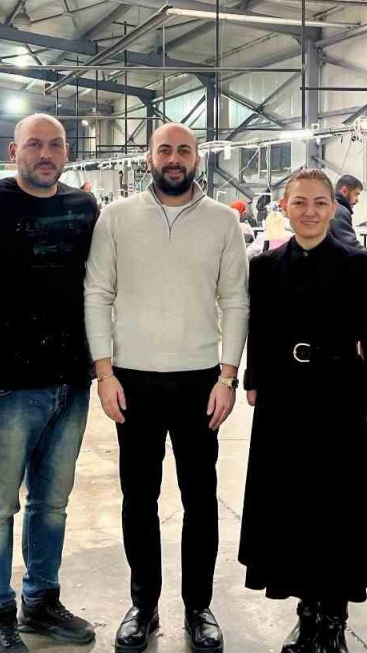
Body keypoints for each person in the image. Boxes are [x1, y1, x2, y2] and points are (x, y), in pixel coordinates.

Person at [84, 122, 249, 653]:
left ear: (197, 158)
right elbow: (97, 293)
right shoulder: (116, 218)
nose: (174, 159)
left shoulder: (223, 221)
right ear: (148, 158)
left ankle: (199, 607)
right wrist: (105, 374)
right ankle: (144, 605)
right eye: (164, 150)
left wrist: (228, 377)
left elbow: (236, 300)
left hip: (201, 380)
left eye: (183, 150)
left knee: (201, 499)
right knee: (139, 499)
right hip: (132, 379)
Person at [0, 114, 99, 653]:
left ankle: (41, 601)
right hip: (4, 385)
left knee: (51, 504)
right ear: (14, 150)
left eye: (55, 144)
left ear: (67, 152)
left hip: (71, 382)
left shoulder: (84, 207)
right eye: (34, 144)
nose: (45, 153)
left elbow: (101, 288)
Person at [240, 168, 367, 653]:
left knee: (339, 507)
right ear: (284, 208)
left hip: (342, 397)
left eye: (320, 203)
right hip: (284, 398)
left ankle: (333, 618)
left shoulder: (360, 265)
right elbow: (260, 330)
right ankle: (306, 613)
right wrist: (253, 381)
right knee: (293, 507)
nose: (310, 212)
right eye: (300, 202)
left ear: (333, 208)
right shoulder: (265, 267)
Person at [329, 175, 364, 251]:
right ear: (344, 191)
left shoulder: (331, 207)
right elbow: (350, 245)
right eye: (356, 194)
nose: (357, 200)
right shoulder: (340, 211)